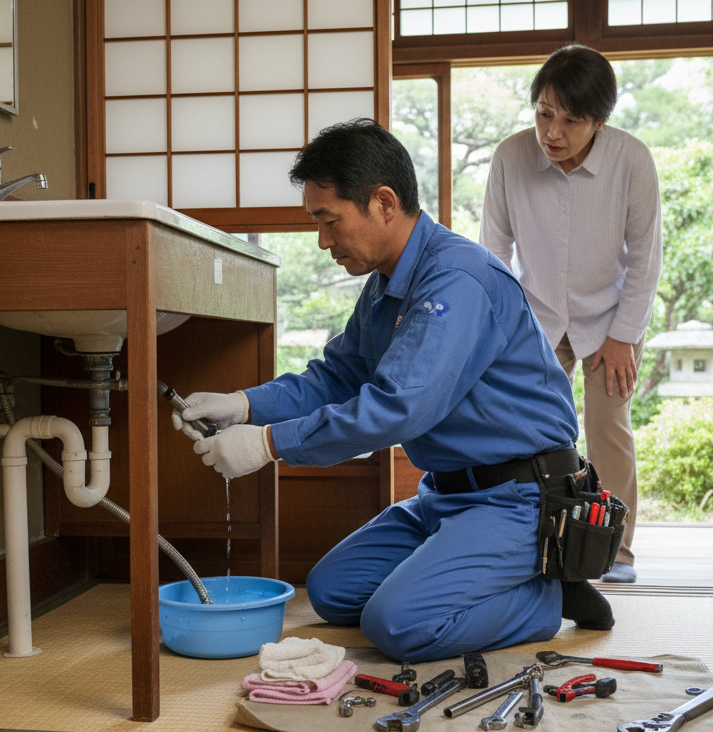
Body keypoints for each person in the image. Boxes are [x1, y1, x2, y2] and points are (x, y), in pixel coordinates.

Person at [174, 118, 618, 662]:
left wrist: (266, 444)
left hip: (519, 499)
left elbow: (396, 407)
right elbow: (335, 377)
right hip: (445, 496)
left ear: (384, 202)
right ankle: (488, 570)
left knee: (397, 624)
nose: (323, 241)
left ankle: (547, 594)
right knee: (334, 592)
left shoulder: (457, 279)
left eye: (329, 221)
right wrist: (243, 403)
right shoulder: (386, 287)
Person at [480, 45, 662, 584]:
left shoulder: (631, 161)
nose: (551, 132)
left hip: (611, 320)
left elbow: (645, 259)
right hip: (533, 321)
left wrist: (624, 336)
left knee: (609, 431)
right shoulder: (511, 157)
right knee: (534, 437)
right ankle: (542, 545)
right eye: (543, 112)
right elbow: (493, 254)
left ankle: (617, 551)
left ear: (599, 122)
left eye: (570, 120)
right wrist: (503, 335)